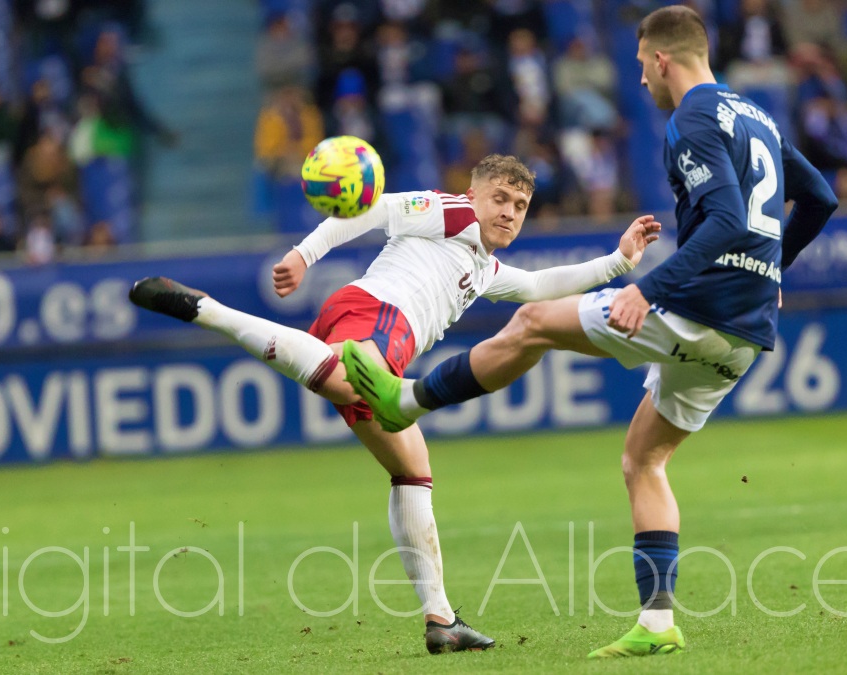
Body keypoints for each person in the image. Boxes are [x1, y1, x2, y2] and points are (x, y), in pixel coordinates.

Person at [343, 6, 839, 659]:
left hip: (695, 306)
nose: (641, 80)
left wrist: (648, 288)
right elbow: (821, 196)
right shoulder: (758, 117)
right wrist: (774, 268)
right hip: (745, 331)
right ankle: (657, 624)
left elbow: (723, 217)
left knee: (530, 322)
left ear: (661, 59)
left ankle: (404, 400)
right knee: (644, 459)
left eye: (641, 66)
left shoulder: (690, 116)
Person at [128, 154, 661, 654]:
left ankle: (442, 621)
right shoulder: (449, 212)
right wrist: (303, 254)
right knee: (350, 385)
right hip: (377, 316)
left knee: (412, 469)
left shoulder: (485, 268)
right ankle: (209, 311)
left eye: (520, 206)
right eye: (499, 198)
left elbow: (541, 284)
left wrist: (619, 261)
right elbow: (372, 211)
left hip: (375, 336)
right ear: (472, 194)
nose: (509, 212)